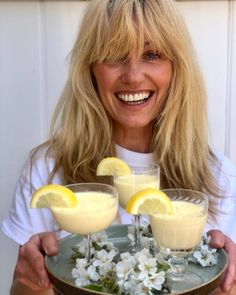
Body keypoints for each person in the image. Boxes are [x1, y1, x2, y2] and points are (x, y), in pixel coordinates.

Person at [1, 0, 236, 294]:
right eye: (113, 55)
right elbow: (25, 288)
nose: (133, 75)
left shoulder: (219, 177)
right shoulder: (48, 171)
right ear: (90, 69)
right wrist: (29, 286)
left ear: (177, 68)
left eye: (152, 54)